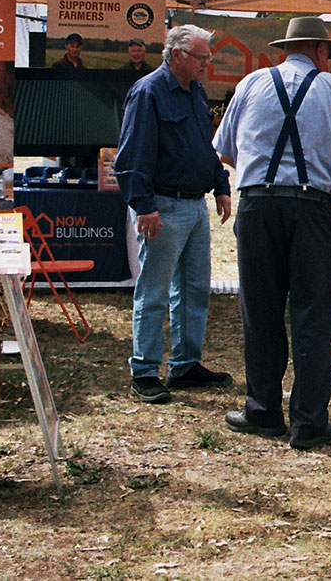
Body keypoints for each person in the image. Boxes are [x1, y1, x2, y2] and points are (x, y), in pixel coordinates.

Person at [213, 16, 331, 450]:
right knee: (312, 317)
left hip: (258, 206)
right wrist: (322, 177)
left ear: (286, 49)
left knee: (260, 311)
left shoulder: (250, 84)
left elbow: (225, 150)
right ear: (321, 52)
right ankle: (307, 423)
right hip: (313, 211)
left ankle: (263, 410)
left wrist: (267, 176)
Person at [113, 24, 234, 404]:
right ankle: (145, 371)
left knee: (195, 290)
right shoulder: (148, 92)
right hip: (162, 206)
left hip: (195, 206)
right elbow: (131, 156)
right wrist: (143, 206)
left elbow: (205, 144)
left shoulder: (194, 92)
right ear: (177, 55)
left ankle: (184, 364)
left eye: (209, 56)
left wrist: (221, 185)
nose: (207, 63)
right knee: (155, 292)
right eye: (202, 57)